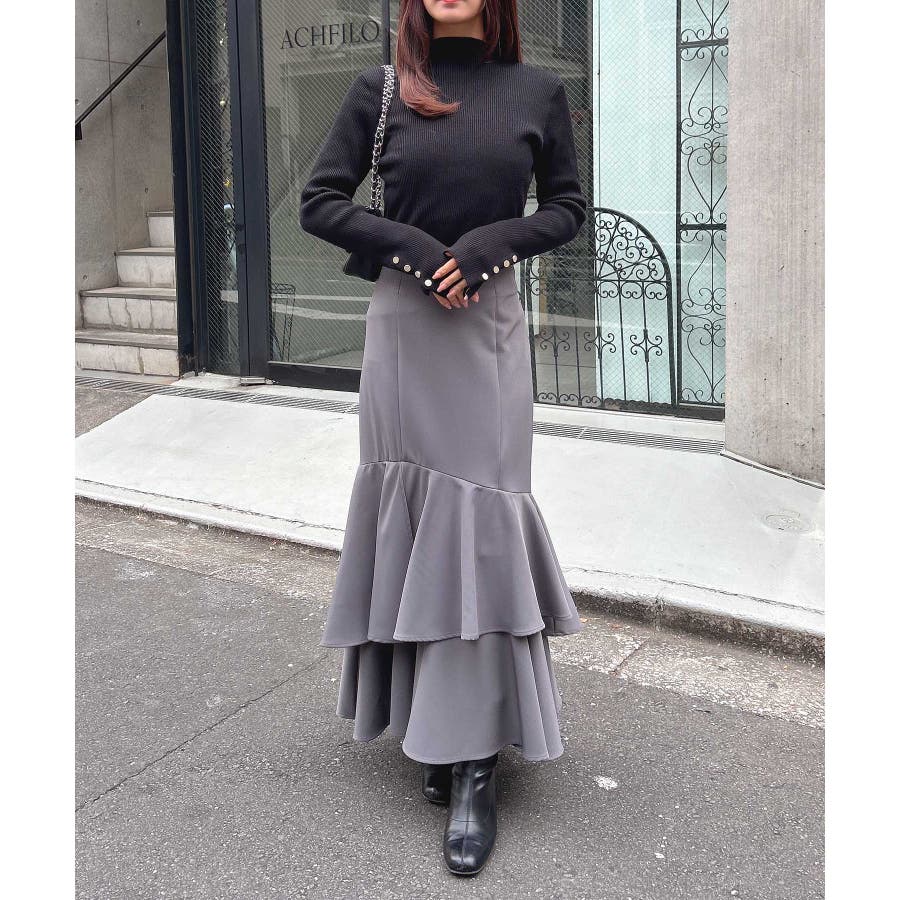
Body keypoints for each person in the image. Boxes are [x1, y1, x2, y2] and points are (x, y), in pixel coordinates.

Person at [299, 0, 586, 877]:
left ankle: (473, 763)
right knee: (417, 523)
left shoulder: (536, 91)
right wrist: (420, 252)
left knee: (478, 526)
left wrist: (493, 243)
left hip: (487, 326)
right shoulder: (382, 89)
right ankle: (432, 719)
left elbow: (567, 208)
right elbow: (321, 202)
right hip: (404, 324)